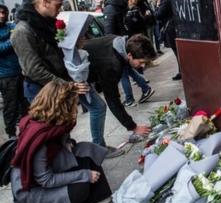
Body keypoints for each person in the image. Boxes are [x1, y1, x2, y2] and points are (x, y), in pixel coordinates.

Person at [11, 0, 119, 157]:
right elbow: (34, 70)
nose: (60, 8)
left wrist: (76, 45)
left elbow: (61, 52)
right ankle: (66, 163)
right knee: (58, 128)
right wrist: (69, 86)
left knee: (96, 107)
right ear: (44, 2)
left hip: (67, 79)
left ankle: (97, 147)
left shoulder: (48, 22)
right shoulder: (22, 31)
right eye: (58, 4)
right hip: (44, 89)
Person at [10, 81, 112, 203]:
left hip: (49, 170)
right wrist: (85, 174)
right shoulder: (39, 138)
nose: (75, 108)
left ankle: (97, 195)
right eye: (74, 104)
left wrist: (66, 142)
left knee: (87, 149)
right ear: (63, 107)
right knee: (81, 188)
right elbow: (45, 180)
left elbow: (59, 136)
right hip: (34, 196)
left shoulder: (49, 123)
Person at [83, 34, 156, 137]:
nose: (143, 66)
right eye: (141, 62)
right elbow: (112, 99)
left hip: (85, 69)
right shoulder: (112, 64)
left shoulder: (120, 44)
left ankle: (98, 147)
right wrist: (133, 127)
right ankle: (99, 148)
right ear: (130, 55)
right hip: (72, 76)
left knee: (98, 107)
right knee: (98, 108)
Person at [0, 4, 28, 138]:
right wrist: (12, 39)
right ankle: (11, 135)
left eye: (3, 12)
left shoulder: (10, 27)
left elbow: (18, 33)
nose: (2, 15)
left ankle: (27, 129)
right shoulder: (10, 31)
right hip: (5, 76)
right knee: (11, 106)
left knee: (25, 103)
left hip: (20, 71)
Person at [120, 0, 155, 106]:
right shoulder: (137, 10)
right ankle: (145, 88)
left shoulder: (131, 12)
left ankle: (130, 98)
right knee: (129, 71)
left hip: (132, 43)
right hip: (133, 42)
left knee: (124, 73)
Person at [155, 0, 181, 80]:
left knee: (177, 50)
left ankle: (182, 71)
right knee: (178, 50)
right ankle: (181, 71)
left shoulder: (165, 1)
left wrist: (157, 6)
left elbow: (159, 15)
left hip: (171, 27)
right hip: (176, 25)